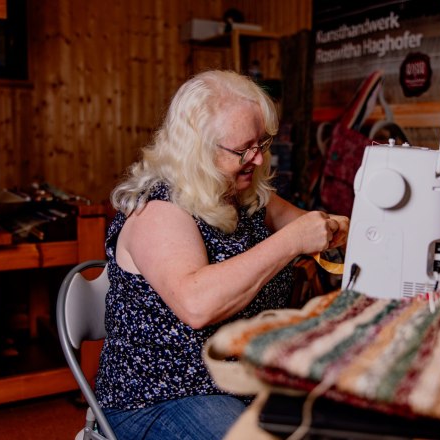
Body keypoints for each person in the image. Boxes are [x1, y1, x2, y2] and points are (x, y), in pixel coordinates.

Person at [94, 70, 349, 439]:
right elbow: (197, 305)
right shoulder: (158, 210)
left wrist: (347, 231)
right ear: (196, 147)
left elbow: (318, 230)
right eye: (244, 149)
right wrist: (291, 241)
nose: (259, 159)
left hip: (239, 377)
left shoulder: (242, 194)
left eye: (262, 143)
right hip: (163, 393)